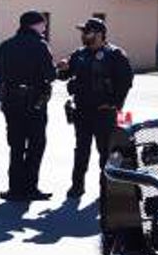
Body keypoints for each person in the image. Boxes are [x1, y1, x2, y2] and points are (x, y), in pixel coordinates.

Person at [56, 17, 134, 198]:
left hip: (104, 112)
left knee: (106, 152)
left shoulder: (115, 54)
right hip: (82, 112)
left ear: (99, 34)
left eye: (87, 32)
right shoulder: (79, 54)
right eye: (83, 32)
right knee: (81, 150)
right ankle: (77, 186)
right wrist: (61, 68)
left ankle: (106, 188)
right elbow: (64, 75)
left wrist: (115, 103)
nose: (83, 35)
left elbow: (126, 81)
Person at [0, 10, 57, 202]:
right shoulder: (40, 46)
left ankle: (14, 189)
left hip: (11, 102)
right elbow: (50, 75)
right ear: (33, 25)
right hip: (34, 102)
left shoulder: (5, 45)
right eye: (42, 24)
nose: (44, 28)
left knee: (16, 145)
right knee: (36, 144)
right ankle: (29, 187)